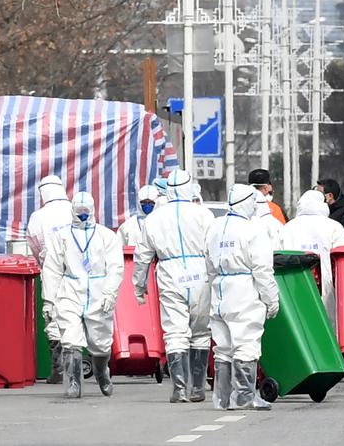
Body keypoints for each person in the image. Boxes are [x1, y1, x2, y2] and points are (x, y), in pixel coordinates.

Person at [133, 169, 215, 403]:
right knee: (200, 331)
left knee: (175, 331)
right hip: (200, 272)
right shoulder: (204, 215)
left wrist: (139, 286)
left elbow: (142, 256)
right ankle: (198, 388)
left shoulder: (154, 219)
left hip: (170, 273)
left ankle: (179, 387)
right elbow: (214, 248)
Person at [41, 190, 123, 399]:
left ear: (93, 210)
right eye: (79, 211)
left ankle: (101, 372)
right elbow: (52, 269)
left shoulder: (106, 236)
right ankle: (74, 382)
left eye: (86, 211)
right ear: (72, 211)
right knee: (70, 338)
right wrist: (49, 301)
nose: (83, 215)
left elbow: (115, 267)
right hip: (70, 291)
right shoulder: (63, 236)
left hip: (98, 292)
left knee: (101, 341)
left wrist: (110, 293)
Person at [205, 183, 279, 411]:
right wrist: (272, 299)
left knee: (223, 345)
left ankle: (222, 398)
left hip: (219, 288)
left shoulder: (215, 226)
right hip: (244, 289)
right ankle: (245, 396)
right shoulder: (253, 230)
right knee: (246, 343)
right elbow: (263, 269)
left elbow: (207, 260)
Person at [26, 175, 74, 383]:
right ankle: (77, 363)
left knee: (53, 312)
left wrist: (43, 264)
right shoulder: (76, 208)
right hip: (78, 269)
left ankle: (58, 369)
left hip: (51, 269)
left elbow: (34, 243)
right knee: (77, 312)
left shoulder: (39, 216)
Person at [281, 190, 344, 320]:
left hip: (293, 286)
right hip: (327, 289)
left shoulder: (287, 229)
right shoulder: (334, 227)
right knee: (327, 324)